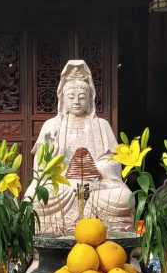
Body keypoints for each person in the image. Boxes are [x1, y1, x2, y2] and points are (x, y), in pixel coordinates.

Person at [29, 60, 133, 234]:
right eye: (71, 97)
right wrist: (49, 153)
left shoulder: (102, 125)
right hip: (61, 186)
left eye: (82, 97)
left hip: (96, 185)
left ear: (90, 99)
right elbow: (39, 170)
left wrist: (94, 171)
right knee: (35, 199)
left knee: (125, 198)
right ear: (62, 98)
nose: (76, 101)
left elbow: (114, 163)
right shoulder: (50, 125)